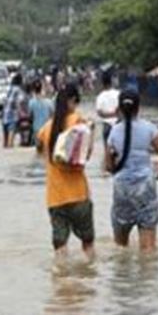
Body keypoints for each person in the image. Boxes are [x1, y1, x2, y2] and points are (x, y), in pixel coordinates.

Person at [105, 90, 158, 251]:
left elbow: (109, 167)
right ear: (139, 108)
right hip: (145, 189)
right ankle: (147, 277)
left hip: (122, 189)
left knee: (120, 248)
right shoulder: (149, 129)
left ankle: (120, 276)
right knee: (148, 249)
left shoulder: (114, 132)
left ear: (120, 108)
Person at [37, 82, 94, 259]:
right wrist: (91, 133)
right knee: (88, 245)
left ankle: (62, 282)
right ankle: (89, 278)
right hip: (78, 195)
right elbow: (86, 156)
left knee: (60, 249)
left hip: (55, 197)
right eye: (76, 102)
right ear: (71, 101)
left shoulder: (46, 128)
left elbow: (40, 151)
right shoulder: (78, 121)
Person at [27, 78, 54, 146]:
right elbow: (53, 116)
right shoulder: (49, 102)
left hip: (37, 130)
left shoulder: (31, 103)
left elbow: (30, 115)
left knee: (39, 149)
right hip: (47, 130)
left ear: (33, 90)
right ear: (42, 89)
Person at [2, 73, 25, 148]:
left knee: (5, 133)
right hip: (12, 113)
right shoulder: (19, 90)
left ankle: (5, 145)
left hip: (5, 112)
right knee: (11, 130)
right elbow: (18, 102)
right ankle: (10, 145)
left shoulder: (8, 88)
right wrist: (21, 113)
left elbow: (4, 99)